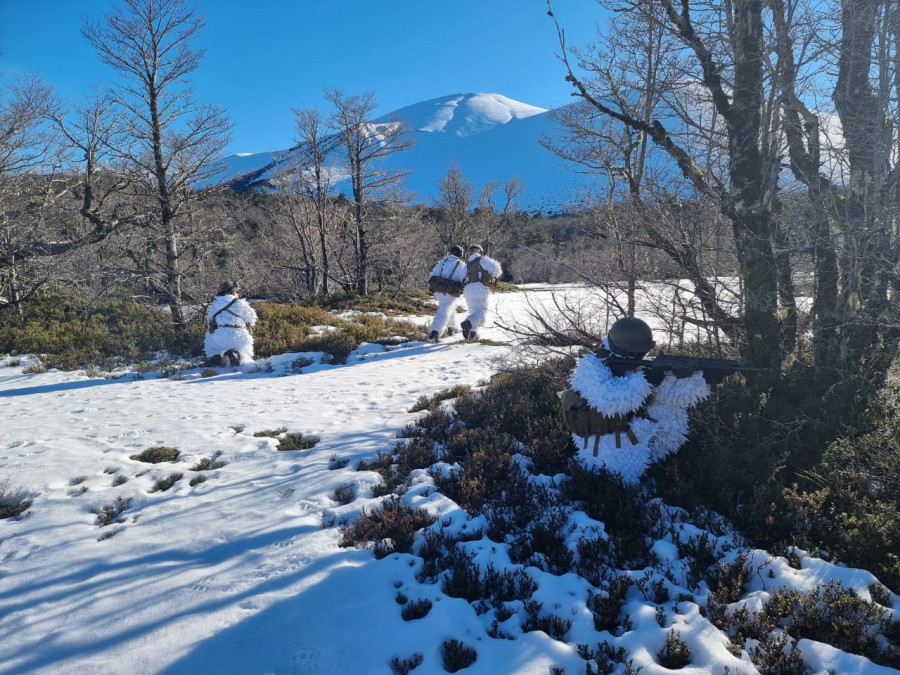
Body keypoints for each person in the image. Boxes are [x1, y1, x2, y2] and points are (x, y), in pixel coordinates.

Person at [561, 317, 713, 484]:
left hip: (632, 429)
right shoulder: (592, 366)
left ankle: (653, 467)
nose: (643, 356)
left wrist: (688, 377)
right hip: (606, 441)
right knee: (618, 481)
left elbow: (660, 395)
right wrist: (647, 379)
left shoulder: (631, 364)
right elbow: (611, 401)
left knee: (670, 410)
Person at [204, 281, 258, 366]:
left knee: (211, 342)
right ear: (233, 292)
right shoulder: (240, 303)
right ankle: (240, 358)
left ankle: (215, 357)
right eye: (237, 291)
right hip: (238, 335)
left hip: (220, 335)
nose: (238, 293)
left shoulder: (215, 304)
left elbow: (210, 321)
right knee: (245, 348)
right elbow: (251, 317)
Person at [460, 244, 502, 341]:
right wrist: (489, 276)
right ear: (480, 251)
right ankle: (468, 323)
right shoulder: (482, 259)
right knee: (481, 315)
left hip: (468, 289)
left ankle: (472, 334)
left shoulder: (467, 264)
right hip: (480, 288)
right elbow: (497, 269)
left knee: (474, 312)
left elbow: (462, 277)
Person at [427, 245, 467, 343]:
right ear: (460, 253)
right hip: (449, 291)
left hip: (437, 290)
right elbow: (464, 279)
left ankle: (451, 328)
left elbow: (432, 275)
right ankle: (435, 332)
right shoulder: (461, 265)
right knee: (445, 311)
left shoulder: (442, 262)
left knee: (450, 307)